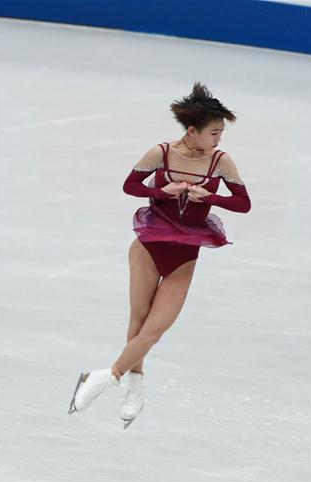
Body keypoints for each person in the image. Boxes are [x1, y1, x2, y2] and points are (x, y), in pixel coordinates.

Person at [69, 83, 251, 428]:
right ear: (192, 131)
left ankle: (105, 376)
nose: (219, 139)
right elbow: (130, 186)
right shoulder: (161, 153)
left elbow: (243, 203)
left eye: (221, 133)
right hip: (148, 248)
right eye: (214, 133)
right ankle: (134, 385)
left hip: (184, 254)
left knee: (154, 331)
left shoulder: (221, 161)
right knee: (138, 322)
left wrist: (209, 198)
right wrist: (160, 189)